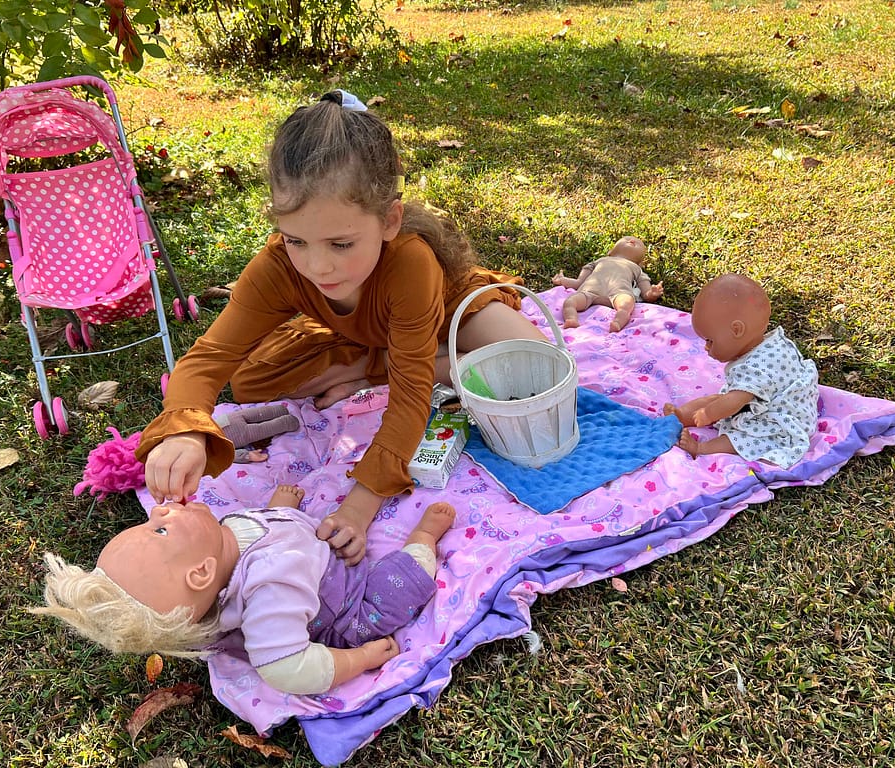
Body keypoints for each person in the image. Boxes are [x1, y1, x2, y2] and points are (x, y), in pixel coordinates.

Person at [135, 90, 546, 565]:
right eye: (296, 240)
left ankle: (385, 365)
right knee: (249, 381)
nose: (318, 266)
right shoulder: (279, 268)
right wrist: (185, 432)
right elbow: (210, 358)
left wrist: (359, 505)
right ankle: (377, 362)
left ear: (389, 220)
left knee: (530, 360)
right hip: (371, 337)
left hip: (449, 314)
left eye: (341, 243)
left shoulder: (411, 262)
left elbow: (411, 395)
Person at [32, 485, 456, 695]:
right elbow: (286, 667)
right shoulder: (271, 587)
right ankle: (423, 540)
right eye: (158, 528)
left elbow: (260, 532)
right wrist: (360, 657)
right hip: (349, 607)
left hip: (305, 551)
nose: (158, 509)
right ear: (201, 574)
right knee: (400, 588)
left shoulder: (223, 538)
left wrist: (279, 510)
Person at [663, 273, 818, 468]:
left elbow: (734, 402)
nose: (706, 347)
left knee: (739, 436)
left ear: (736, 330)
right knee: (718, 399)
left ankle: (701, 449)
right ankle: (681, 416)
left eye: (710, 340)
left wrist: (709, 414)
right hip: (770, 400)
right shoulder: (772, 343)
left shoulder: (754, 369)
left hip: (780, 423)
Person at [551, 235, 663, 332]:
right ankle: (571, 319)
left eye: (638, 244)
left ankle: (618, 322)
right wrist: (563, 280)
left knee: (627, 304)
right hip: (589, 291)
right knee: (570, 302)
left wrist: (652, 293)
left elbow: (645, 293)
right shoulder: (600, 260)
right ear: (611, 251)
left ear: (640, 263)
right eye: (627, 239)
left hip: (618, 293)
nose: (632, 241)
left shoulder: (636, 268)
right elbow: (579, 282)